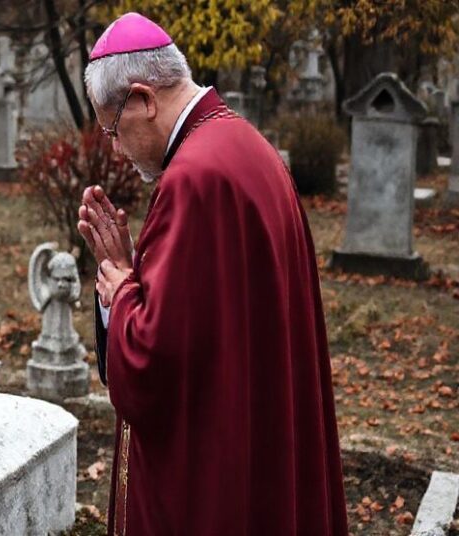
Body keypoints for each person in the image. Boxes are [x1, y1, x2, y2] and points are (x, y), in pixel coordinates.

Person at [78, 12, 349, 536]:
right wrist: (139, 273)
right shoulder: (246, 145)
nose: (115, 147)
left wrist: (120, 289)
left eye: (113, 129)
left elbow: (154, 363)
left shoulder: (192, 180)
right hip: (255, 434)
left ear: (143, 99)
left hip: (211, 475)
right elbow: (206, 319)